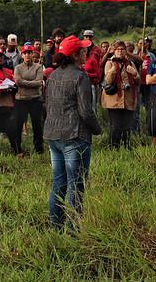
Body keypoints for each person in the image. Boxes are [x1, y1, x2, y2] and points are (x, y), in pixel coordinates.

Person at [44, 35, 101, 230]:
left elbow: (48, 105)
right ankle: (74, 230)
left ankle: (55, 227)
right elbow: (86, 110)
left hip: (53, 134)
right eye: (84, 50)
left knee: (58, 183)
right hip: (74, 136)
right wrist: (97, 129)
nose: (87, 52)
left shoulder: (53, 75)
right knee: (76, 185)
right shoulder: (80, 75)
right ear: (77, 54)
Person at [102, 41, 140, 148]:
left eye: (122, 49)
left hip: (128, 98)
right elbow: (108, 81)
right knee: (116, 126)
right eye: (118, 49)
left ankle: (126, 147)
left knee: (127, 126)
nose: (120, 51)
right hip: (113, 100)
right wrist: (112, 71)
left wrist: (135, 74)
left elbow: (138, 81)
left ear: (125, 51)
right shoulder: (109, 63)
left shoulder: (130, 63)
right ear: (114, 50)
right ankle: (114, 148)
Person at [14, 44, 44, 154]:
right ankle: (17, 148)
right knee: (18, 125)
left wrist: (24, 83)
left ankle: (39, 149)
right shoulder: (17, 67)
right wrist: (33, 83)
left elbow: (39, 82)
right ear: (22, 55)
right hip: (21, 99)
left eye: (29, 53)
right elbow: (17, 81)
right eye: (25, 53)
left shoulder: (38, 67)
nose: (27, 55)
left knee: (37, 125)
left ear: (32, 54)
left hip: (35, 99)